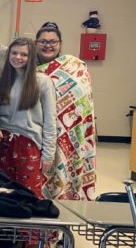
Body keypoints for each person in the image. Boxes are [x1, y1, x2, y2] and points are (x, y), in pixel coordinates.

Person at [0, 37, 57, 248]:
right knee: (10, 196)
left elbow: (50, 122)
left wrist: (48, 153)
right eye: (14, 53)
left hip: (29, 145)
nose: (18, 58)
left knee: (32, 197)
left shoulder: (42, 82)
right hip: (5, 145)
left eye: (24, 54)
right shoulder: (0, 82)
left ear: (31, 58)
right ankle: (16, 242)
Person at [35, 22, 96, 201]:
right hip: (40, 133)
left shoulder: (74, 67)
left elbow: (85, 100)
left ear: (60, 43)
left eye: (53, 41)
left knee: (65, 175)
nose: (48, 45)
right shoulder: (27, 69)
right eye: (43, 41)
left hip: (70, 134)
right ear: (36, 43)